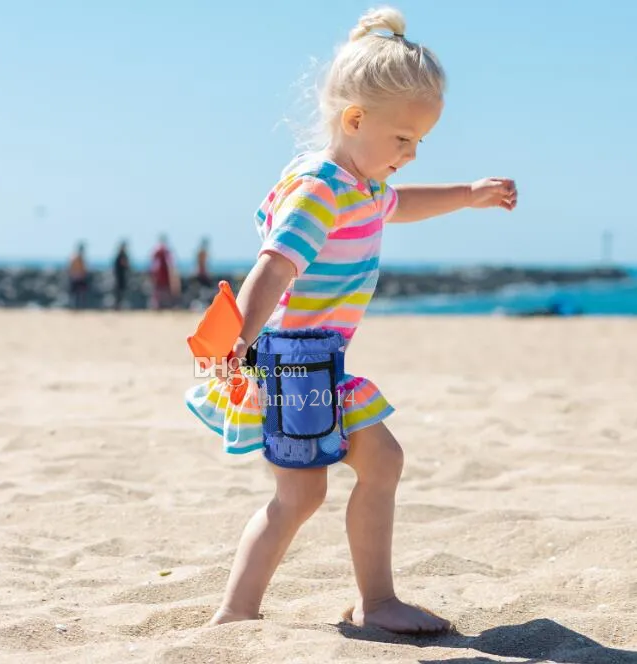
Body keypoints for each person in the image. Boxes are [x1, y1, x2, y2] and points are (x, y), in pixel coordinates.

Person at [185, 7, 517, 634]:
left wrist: (467, 195)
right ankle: (235, 613)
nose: (412, 154)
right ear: (355, 119)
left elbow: (403, 204)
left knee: (382, 461)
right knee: (300, 495)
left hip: (323, 364)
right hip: (289, 364)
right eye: (402, 139)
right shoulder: (320, 189)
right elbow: (272, 271)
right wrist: (235, 349)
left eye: (421, 142)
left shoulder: (360, 186)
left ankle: (375, 600)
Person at [150, 235, 180, 310]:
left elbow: (153, 264)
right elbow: (171, 265)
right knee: (165, 295)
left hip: (159, 276)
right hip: (164, 277)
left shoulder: (157, 250)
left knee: (159, 294)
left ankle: (158, 307)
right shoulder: (166, 251)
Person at [68, 242, 88, 310]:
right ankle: (76, 307)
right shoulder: (77, 257)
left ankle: (77, 307)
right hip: (77, 277)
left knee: (78, 294)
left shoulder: (75, 257)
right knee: (77, 294)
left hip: (77, 277)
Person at [113, 241, 130, 310]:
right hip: (120, 276)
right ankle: (118, 307)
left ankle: (119, 306)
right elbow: (124, 264)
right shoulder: (121, 255)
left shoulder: (120, 255)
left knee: (120, 292)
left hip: (121, 276)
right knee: (119, 292)